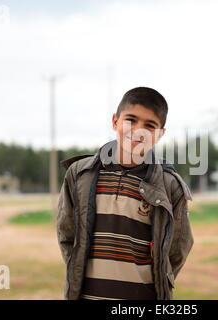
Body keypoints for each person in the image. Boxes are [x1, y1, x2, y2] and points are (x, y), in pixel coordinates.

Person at [56, 87, 193, 300]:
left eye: (150, 126)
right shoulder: (80, 174)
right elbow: (67, 235)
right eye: (131, 120)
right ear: (115, 121)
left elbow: (178, 250)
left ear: (160, 134)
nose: (138, 131)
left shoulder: (170, 186)